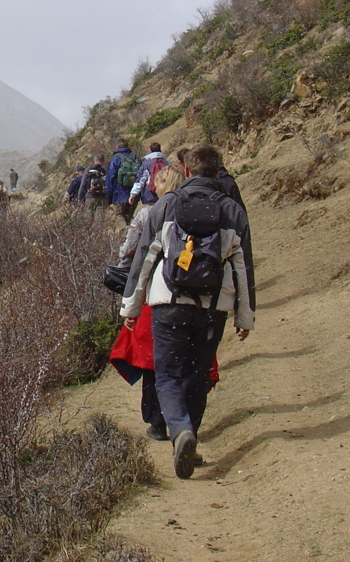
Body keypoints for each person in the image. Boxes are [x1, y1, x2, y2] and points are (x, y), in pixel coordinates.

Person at [121, 144, 255, 479]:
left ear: (188, 170)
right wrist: (245, 315)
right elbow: (243, 267)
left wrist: (132, 306)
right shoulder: (233, 211)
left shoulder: (167, 204)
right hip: (213, 308)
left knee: (167, 374)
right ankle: (189, 432)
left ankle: (180, 431)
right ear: (217, 170)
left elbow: (145, 260)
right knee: (197, 373)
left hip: (168, 303)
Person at [109, 164, 195, 442]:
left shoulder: (151, 213)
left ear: (163, 184)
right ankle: (183, 421)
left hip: (154, 295)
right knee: (183, 358)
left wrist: (129, 290)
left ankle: (157, 421)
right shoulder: (197, 211)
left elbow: (137, 251)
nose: (152, 187)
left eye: (156, 182)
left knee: (152, 360)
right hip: (192, 295)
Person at [106, 139, 138, 225]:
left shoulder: (115, 159)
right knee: (128, 219)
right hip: (134, 195)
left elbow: (110, 179)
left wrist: (109, 198)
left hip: (119, 195)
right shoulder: (135, 157)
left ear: (117, 147)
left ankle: (123, 236)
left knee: (119, 218)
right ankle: (128, 236)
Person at [129, 142, 168, 207]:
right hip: (164, 195)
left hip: (150, 195)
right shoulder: (167, 164)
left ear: (150, 150)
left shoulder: (146, 164)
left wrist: (133, 195)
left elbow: (140, 181)